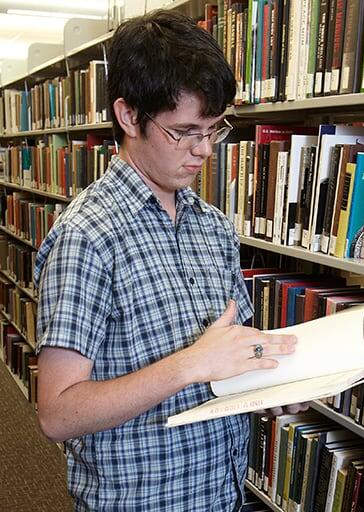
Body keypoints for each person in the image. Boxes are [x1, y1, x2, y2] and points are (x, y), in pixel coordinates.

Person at [34, 10, 303, 510]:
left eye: (214, 129)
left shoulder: (214, 227)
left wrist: (277, 380)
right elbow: (57, 414)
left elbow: (228, 358)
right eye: (184, 131)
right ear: (129, 116)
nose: (204, 150)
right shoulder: (87, 237)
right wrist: (187, 366)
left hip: (221, 495)